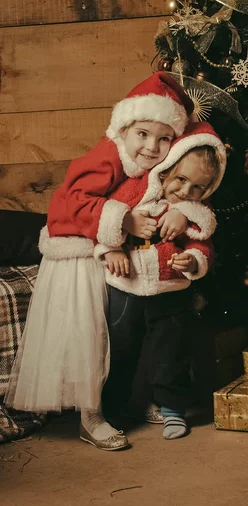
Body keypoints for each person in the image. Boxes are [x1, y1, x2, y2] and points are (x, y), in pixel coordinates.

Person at [4, 72, 208, 451]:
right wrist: (124, 222)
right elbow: (71, 204)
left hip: (106, 247)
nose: (152, 146)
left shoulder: (147, 164)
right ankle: (91, 417)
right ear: (124, 128)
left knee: (122, 331)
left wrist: (184, 212)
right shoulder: (108, 155)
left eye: (165, 138)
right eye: (143, 134)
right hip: (78, 251)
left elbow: (185, 174)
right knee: (91, 334)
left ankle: (128, 401)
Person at [95, 121, 226, 441]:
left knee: (171, 353)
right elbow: (107, 221)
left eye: (198, 188)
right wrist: (110, 250)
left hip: (171, 289)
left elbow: (202, 243)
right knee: (120, 351)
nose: (186, 192)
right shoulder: (135, 192)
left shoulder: (194, 212)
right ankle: (112, 410)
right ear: (167, 169)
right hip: (127, 286)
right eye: (181, 180)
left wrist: (193, 260)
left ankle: (172, 409)